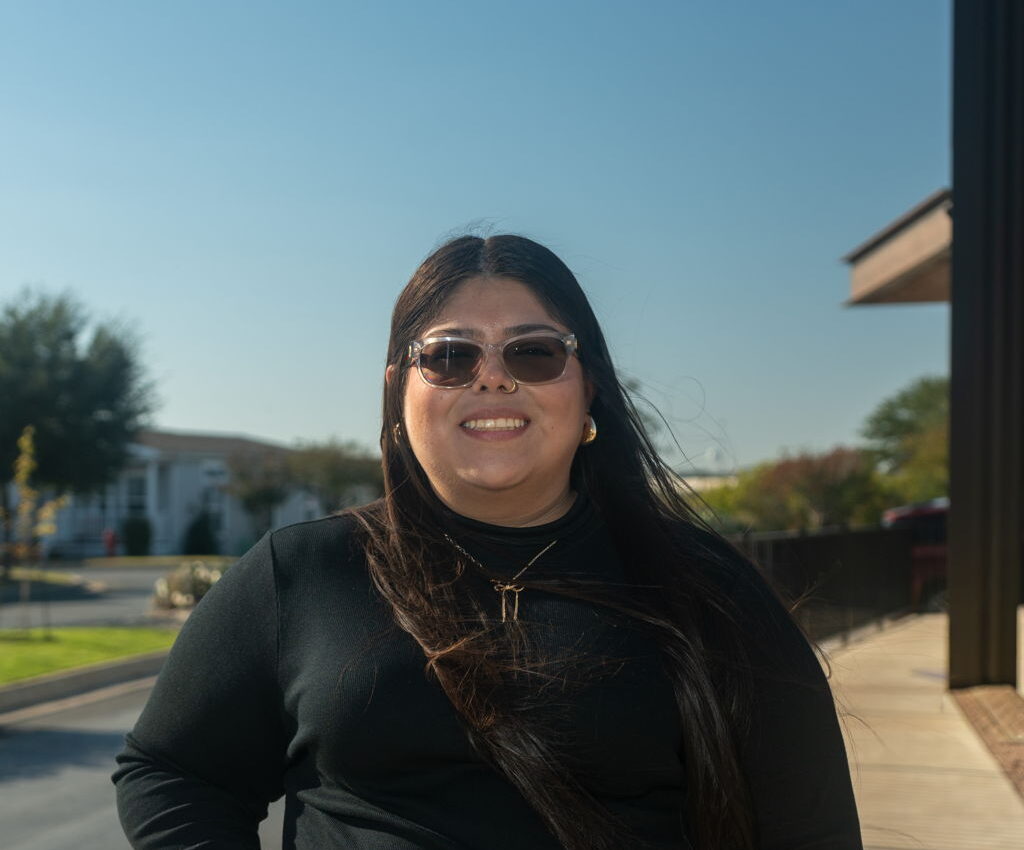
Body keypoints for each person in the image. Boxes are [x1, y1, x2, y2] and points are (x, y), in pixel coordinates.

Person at [113, 234, 863, 850]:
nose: (493, 379)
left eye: (534, 352)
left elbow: (814, 831)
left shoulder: (708, 589)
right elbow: (171, 770)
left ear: (588, 385)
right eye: (449, 356)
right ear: (397, 392)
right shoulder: (302, 572)